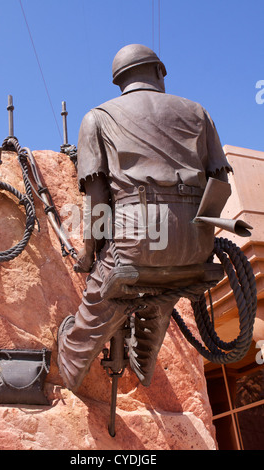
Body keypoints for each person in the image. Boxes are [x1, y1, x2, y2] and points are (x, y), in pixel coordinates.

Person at [57, 44, 232, 392]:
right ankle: (146, 352)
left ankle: (69, 370)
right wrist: (199, 239)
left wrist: (91, 255)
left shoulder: (97, 117)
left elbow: (95, 198)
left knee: (100, 298)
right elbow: (220, 182)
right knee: (165, 278)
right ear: (158, 72)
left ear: (119, 81)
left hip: (138, 239)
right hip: (196, 242)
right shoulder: (198, 112)